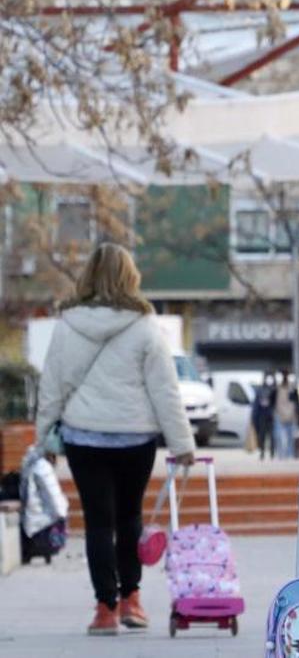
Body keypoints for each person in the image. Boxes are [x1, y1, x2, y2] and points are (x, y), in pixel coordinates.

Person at [34, 243, 196, 635]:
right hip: (134, 438)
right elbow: (165, 390)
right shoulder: (144, 326)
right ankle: (132, 601)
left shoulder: (68, 324)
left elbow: (51, 385)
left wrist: (43, 438)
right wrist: (182, 443)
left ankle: (104, 609)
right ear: (130, 275)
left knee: (97, 523)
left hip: (82, 437)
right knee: (129, 517)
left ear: (87, 274)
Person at [271, 368, 299, 459]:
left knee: (290, 437)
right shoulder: (277, 389)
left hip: (291, 415)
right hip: (279, 414)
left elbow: (296, 403)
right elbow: (273, 401)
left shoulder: (292, 388)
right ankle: (281, 455)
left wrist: (297, 415)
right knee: (278, 436)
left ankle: (289, 455)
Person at [252, 371, 277, 460]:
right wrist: (254, 417)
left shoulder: (273, 389)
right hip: (262, 415)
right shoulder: (260, 390)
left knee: (272, 435)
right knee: (262, 435)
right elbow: (256, 404)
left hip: (271, 415)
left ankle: (272, 452)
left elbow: (276, 393)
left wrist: (274, 378)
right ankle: (262, 452)